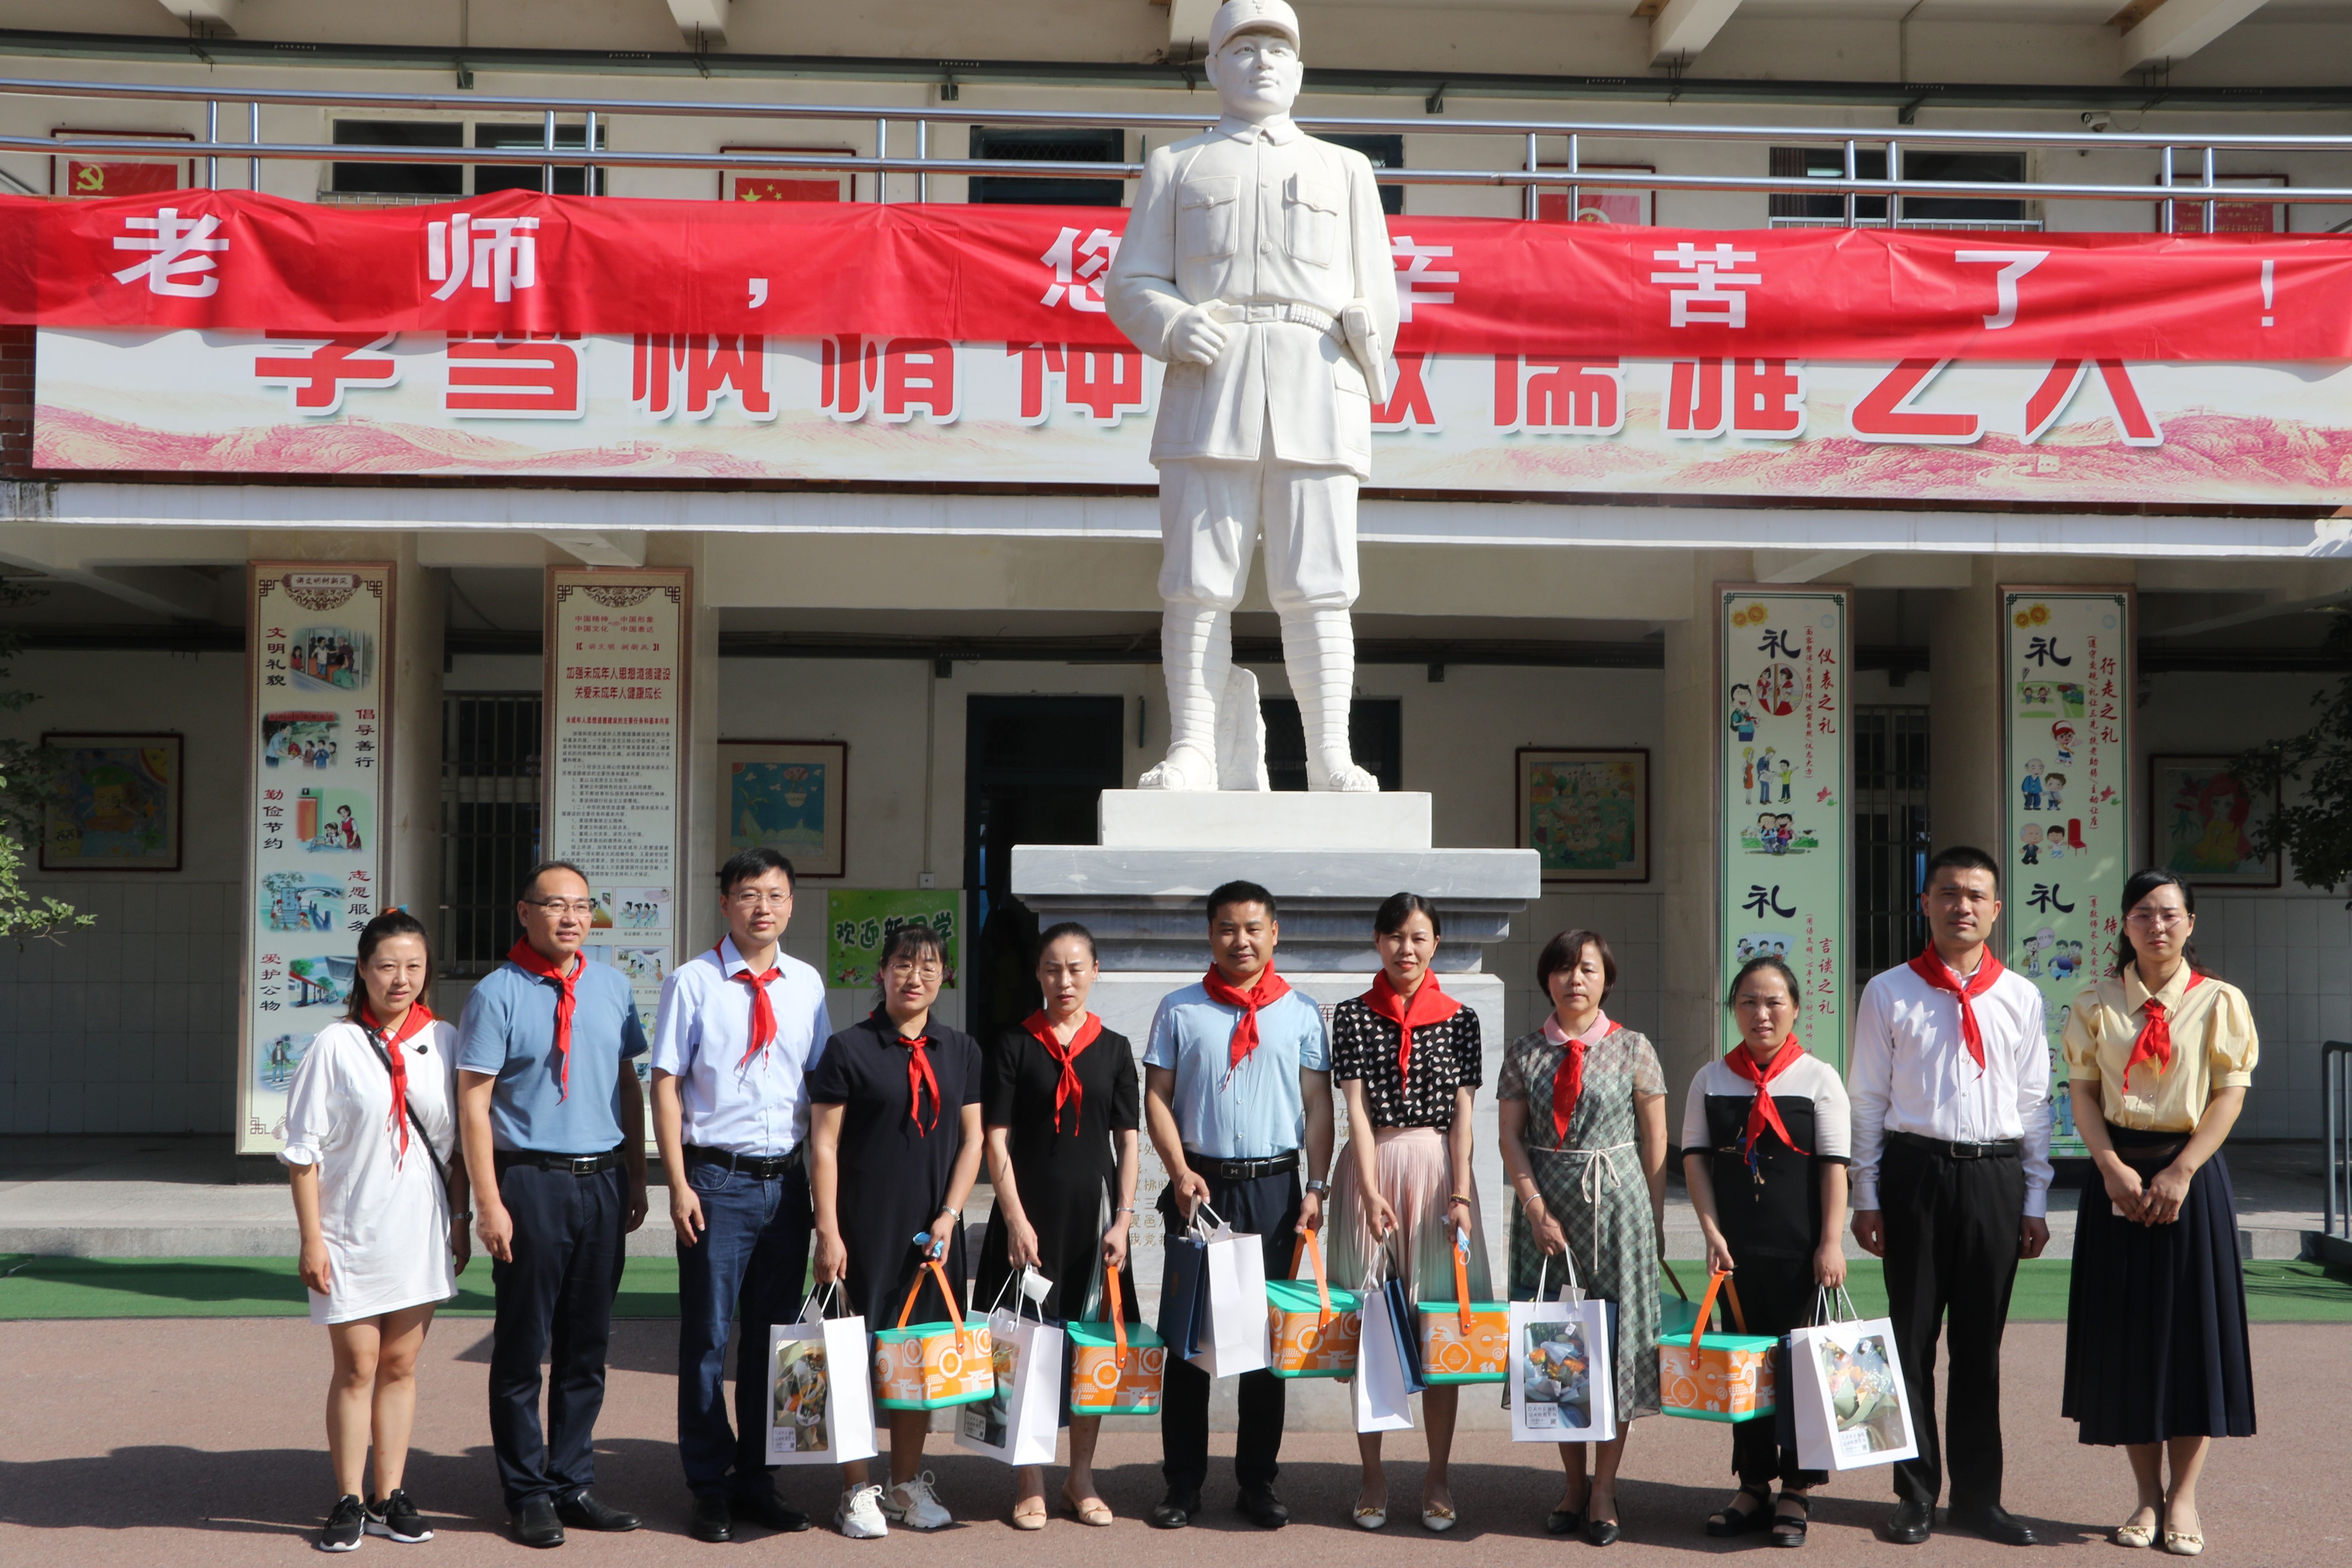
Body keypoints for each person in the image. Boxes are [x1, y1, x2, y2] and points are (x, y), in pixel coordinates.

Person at [1104, 0, 1400, 793]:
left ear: (1300, 70)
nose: (1263, 61)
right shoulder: (1177, 166)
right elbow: (1129, 282)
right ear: (1212, 68)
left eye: (1278, 49)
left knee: (1320, 582)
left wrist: (1367, 342)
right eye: (1243, 48)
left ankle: (1331, 755)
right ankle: (1195, 748)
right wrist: (1170, 325)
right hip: (1212, 379)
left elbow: (1381, 291)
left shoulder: (1347, 170)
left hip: (1318, 378)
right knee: (1198, 580)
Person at [1848, 845, 2051, 1548]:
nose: (1961, 907)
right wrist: (1865, 1193)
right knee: (1909, 1343)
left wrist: (2034, 1199)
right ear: (1925, 904)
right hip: (1915, 1176)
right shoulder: (1888, 991)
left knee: (1979, 1348)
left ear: (1996, 910)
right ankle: (1913, 1494)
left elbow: (2034, 1105)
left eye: (1975, 896)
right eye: (1948, 894)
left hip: (1994, 1178)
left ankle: (1979, 1499)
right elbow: (1868, 1099)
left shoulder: (2021, 997)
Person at [2061, 869, 2257, 1558]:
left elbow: (2229, 1094)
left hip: (2190, 1176)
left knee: (2191, 1338)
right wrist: (2111, 1167)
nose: (2158, 925)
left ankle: (2184, 1499)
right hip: (2115, 1174)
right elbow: (2083, 1093)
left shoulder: (2220, 1002)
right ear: (2124, 924)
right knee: (2128, 1338)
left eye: (2170, 914)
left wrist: (2182, 1170)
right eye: (2143, 913)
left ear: (2191, 923)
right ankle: (2144, 1495)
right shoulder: (2095, 1002)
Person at [456, 860, 649, 1549]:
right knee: (522, 1345)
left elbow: (628, 1082)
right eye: (556, 905)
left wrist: (636, 1173)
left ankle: (572, 1481)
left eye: (582, 906)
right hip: (530, 1182)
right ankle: (526, 1490)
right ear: (524, 912)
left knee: (586, 1345)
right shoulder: (496, 993)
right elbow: (474, 1102)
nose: (571, 918)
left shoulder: (612, 986)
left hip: (601, 1181)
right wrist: (488, 1200)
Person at [650, 848, 833, 1544]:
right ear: (725, 902)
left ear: (792, 905)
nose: (764, 906)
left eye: (778, 894)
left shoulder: (807, 985)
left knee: (773, 1342)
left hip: (786, 1185)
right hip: (716, 1182)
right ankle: (708, 1483)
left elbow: (820, 1093)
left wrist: (823, 1195)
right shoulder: (692, 984)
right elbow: (664, 1083)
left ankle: (758, 1478)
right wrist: (678, 1182)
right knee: (706, 1337)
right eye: (750, 894)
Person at [1142, 879, 1334, 1530]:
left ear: (1274, 933)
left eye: (1254, 928)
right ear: (1210, 934)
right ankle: (1182, 1485)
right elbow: (1158, 1099)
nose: (1241, 940)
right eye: (1228, 928)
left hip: (1276, 1192)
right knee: (1190, 1343)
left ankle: (1258, 1481)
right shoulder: (1179, 1009)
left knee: (1264, 1345)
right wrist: (1177, 1171)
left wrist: (1317, 1187)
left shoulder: (1302, 1013)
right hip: (1200, 1189)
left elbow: (1317, 1107)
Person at [282, 910, 469, 1553]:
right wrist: (311, 1239)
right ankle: (348, 1498)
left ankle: (391, 1495)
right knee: (356, 1365)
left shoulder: (445, 1040)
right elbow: (302, 1152)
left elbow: (460, 1147)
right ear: (362, 970)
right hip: (348, 1231)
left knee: (400, 1363)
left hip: (420, 1230)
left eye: (414, 967)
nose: (401, 979)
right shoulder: (334, 1045)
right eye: (387, 966)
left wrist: (463, 1222)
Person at [806, 922, 985, 1538]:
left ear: (945, 977)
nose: (916, 977)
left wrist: (951, 1214)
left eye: (930, 966)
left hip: (933, 1237)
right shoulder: (849, 1049)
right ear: (880, 972)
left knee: (922, 1359)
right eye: (904, 966)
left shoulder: (961, 1049)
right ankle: (857, 1490)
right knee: (852, 1360)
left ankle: (907, 1485)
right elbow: (823, 1145)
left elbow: (974, 1140)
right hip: (861, 1230)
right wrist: (827, 1231)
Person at [1498, 928, 1669, 1547]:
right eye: (1564, 969)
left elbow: (1655, 1143)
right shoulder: (1525, 1052)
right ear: (1547, 978)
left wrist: (1650, 1224)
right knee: (1558, 1351)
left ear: (1607, 978)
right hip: (1548, 1217)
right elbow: (1510, 1137)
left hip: (1618, 1213)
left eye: (1588, 969)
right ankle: (1571, 1484)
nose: (1576, 979)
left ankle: (1604, 1488)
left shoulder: (1635, 1048)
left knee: (1616, 1351)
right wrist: (1536, 1207)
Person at [1325, 892, 1489, 1533]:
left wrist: (1462, 1192)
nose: (1406, 948)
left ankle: (1438, 1475)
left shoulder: (1462, 1018)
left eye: (1419, 937)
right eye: (1395, 937)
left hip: (1439, 1173)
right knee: (1372, 1328)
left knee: (1439, 1329)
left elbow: (1465, 1115)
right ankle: (1372, 1475)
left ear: (1436, 944)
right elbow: (1356, 1112)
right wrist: (1367, 1191)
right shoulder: (1354, 1016)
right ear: (1377, 941)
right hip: (1372, 1172)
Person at [973, 922, 1142, 1529]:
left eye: (1075, 968)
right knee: (1023, 1349)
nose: (1064, 980)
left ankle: (1081, 1478)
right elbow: (996, 1140)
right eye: (1052, 968)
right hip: (1027, 1221)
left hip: (1094, 1224)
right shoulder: (1015, 1044)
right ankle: (1030, 1480)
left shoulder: (1116, 1048)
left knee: (1087, 1348)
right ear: (1038, 974)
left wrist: (1124, 1220)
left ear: (1096, 971)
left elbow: (1128, 1139)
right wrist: (1015, 1218)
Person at [1682, 955, 1852, 1548]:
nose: (1762, 1013)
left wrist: (1831, 1242)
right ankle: (1753, 1484)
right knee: (1746, 1371)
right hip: (1736, 1256)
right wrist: (1711, 1233)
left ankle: (1798, 1490)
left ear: (1796, 1009)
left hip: (1802, 1252)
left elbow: (1835, 1169)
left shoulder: (1818, 1078)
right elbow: (1695, 1163)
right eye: (1750, 1002)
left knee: (1802, 1369)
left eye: (1774, 1001)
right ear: (1734, 1010)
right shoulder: (1711, 1079)